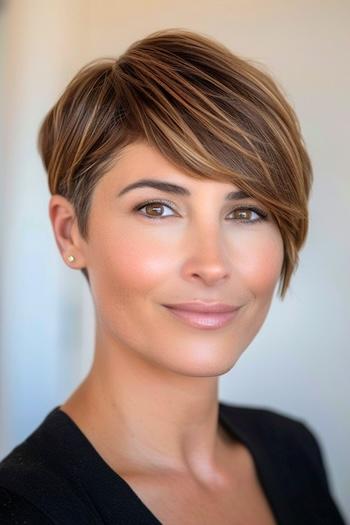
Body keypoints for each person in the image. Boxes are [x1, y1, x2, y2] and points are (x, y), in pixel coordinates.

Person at [0, 28, 346, 525]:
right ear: (71, 232)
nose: (212, 263)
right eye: (158, 208)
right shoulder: (25, 511)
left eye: (246, 212)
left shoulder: (293, 450)